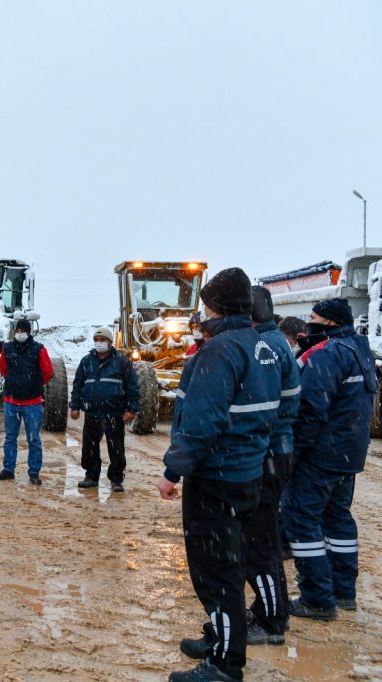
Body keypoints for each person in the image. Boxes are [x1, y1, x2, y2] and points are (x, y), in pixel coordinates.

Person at [159, 268, 281, 682]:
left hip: (217, 479)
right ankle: (220, 638)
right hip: (248, 473)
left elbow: (202, 424)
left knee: (217, 572)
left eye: (206, 303)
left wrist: (173, 471)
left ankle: (225, 663)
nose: (202, 312)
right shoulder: (260, 345)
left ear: (219, 306)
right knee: (231, 560)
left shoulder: (219, 351)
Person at [180, 286, 302, 662]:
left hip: (253, 461)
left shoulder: (259, 347)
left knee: (252, 549)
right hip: (260, 457)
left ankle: (267, 620)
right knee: (245, 548)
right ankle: (254, 621)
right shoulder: (263, 344)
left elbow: (274, 409)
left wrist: (256, 445)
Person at [282, 298, 376, 620]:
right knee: (337, 520)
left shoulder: (328, 355)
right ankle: (342, 591)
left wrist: (293, 452)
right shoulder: (360, 352)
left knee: (302, 519)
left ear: (331, 323)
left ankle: (317, 598)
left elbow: (309, 410)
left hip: (321, 455)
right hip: (347, 454)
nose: (309, 323)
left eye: (314, 318)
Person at [69, 326, 139, 493]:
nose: (99, 343)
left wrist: (132, 408)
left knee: (116, 448)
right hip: (92, 412)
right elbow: (78, 385)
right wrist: (75, 406)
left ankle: (116, 479)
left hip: (114, 414)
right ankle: (91, 476)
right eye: (97, 340)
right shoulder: (86, 361)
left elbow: (133, 387)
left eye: (103, 340)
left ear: (110, 342)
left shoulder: (122, 362)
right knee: (90, 447)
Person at [0, 319, 53, 485]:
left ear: (28, 332)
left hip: (32, 403)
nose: (20, 333)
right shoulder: (8, 348)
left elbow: (47, 371)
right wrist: (15, 382)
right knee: (10, 438)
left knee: (33, 439)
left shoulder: (39, 349)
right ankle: (8, 470)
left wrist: (32, 384)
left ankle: (34, 472)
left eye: (23, 330)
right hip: (11, 402)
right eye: (17, 330)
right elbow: (3, 369)